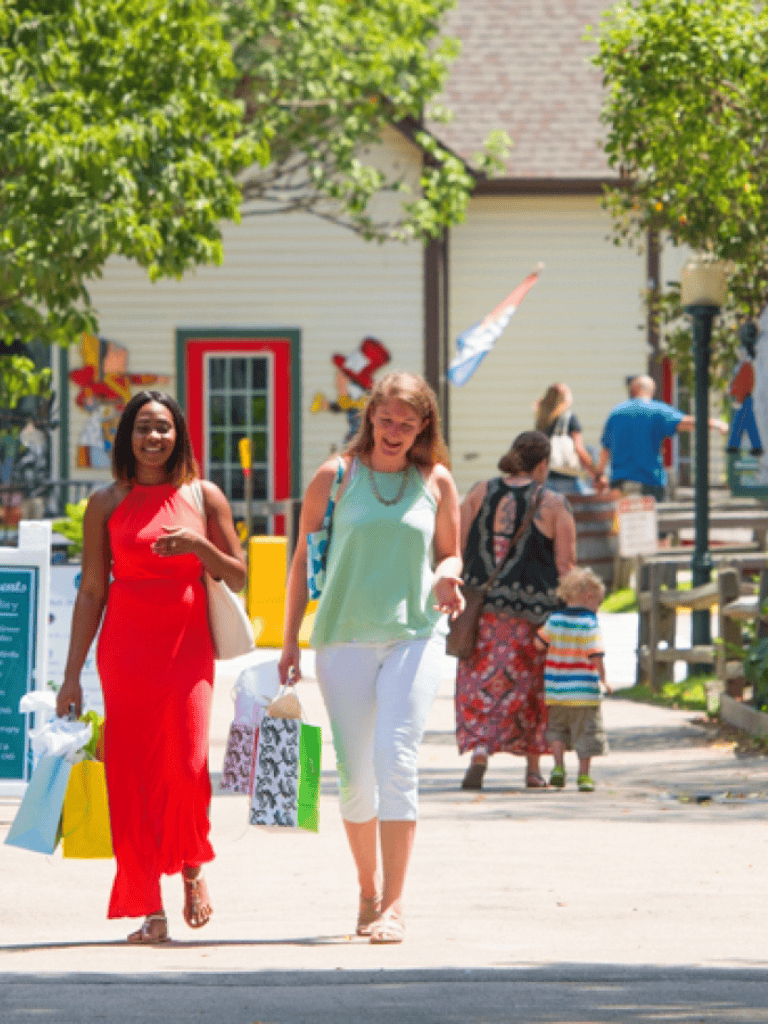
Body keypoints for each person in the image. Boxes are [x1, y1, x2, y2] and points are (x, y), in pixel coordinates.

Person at [278, 371, 463, 946]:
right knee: (357, 777)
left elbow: (450, 553)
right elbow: (300, 562)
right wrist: (288, 641)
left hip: (414, 634)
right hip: (342, 638)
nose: (395, 432)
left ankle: (396, 904)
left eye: (408, 424)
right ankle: (367, 888)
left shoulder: (435, 480)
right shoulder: (336, 477)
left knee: (397, 758)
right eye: (386, 420)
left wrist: (450, 580)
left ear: (423, 427)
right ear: (371, 418)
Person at [56, 391, 246, 944]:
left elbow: (236, 575)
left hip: (187, 647)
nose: (153, 438)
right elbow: (92, 590)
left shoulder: (203, 495)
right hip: (126, 649)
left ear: (178, 434)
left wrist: (196, 544)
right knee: (132, 771)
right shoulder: (106, 503)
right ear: (128, 436)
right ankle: (149, 907)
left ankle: (190, 867)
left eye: (163, 427)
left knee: (186, 762)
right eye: (143, 428)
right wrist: (72, 675)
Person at [455, 430, 576, 791]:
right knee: (531, 690)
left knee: (480, 682)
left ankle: (479, 753)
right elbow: (566, 565)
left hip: (482, 615)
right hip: (533, 620)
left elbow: (455, 550)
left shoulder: (479, 492)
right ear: (542, 464)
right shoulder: (553, 503)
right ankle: (533, 770)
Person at [534, 567, 611, 793]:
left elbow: (539, 643)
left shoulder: (555, 619)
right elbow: (595, 653)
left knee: (557, 731)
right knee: (586, 734)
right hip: (584, 694)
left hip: (557, 693)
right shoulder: (589, 624)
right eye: (598, 603)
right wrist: (604, 680)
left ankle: (558, 768)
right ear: (589, 597)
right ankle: (584, 776)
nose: (597, 608)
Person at [595, 374, 728, 498]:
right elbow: (687, 423)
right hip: (650, 480)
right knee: (649, 522)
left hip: (620, 482)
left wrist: (599, 475)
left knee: (621, 521)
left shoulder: (616, 412)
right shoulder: (658, 410)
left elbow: (606, 449)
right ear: (651, 392)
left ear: (633, 390)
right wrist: (715, 423)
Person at [534, 383, 601, 495]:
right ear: (565, 398)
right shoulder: (569, 418)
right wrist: (596, 476)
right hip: (568, 480)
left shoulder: (542, 420)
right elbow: (579, 450)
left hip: (547, 480)